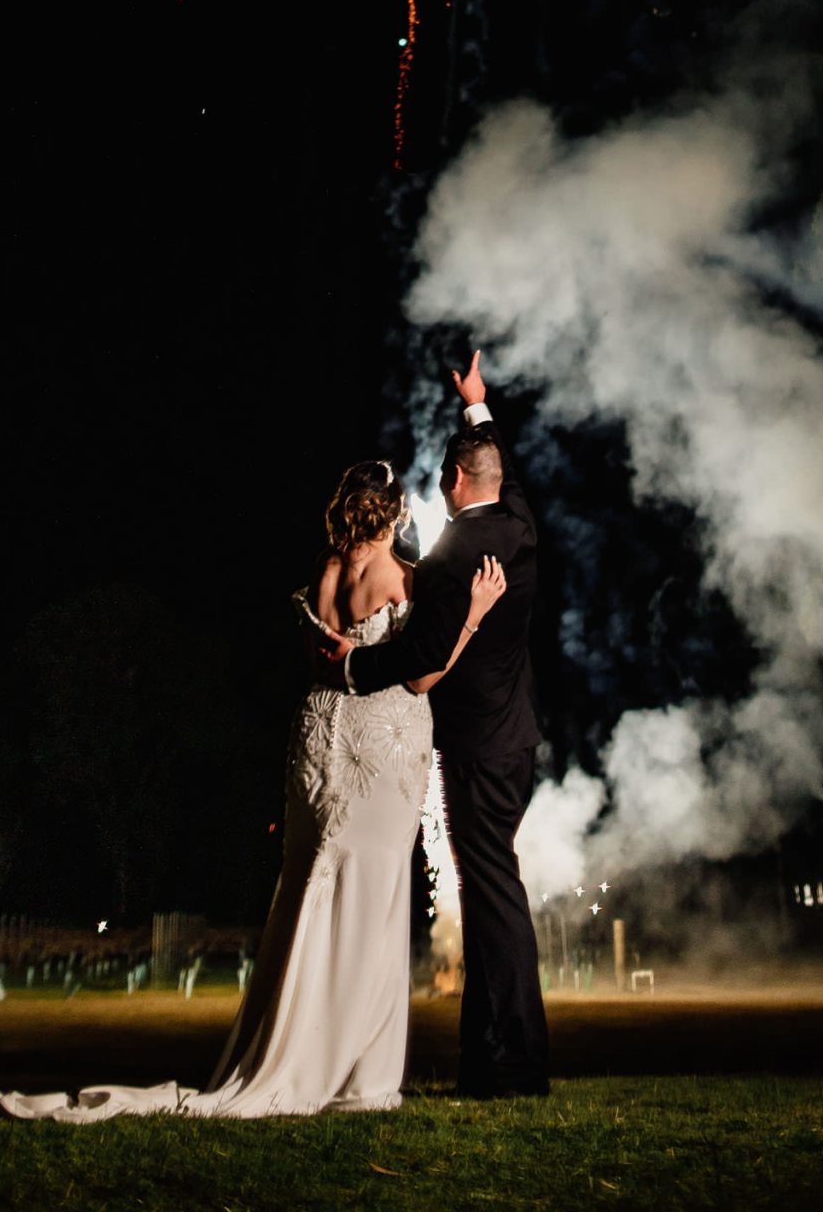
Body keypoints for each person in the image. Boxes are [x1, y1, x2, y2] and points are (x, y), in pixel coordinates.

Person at [0, 451, 505, 1122]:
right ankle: (354, 1072)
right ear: (399, 513)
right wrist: (471, 616)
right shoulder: (400, 580)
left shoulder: (322, 576)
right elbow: (421, 677)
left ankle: (295, 1045)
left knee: (309, 889)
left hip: (319, 744)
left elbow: (319, 670)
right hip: (383, 749)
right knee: (372, 902)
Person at [329, 353, 549, 1099]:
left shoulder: (455, 554)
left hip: (477, 749)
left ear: (454, 482)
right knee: (490, 895)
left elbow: (421, 660)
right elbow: (507, 479)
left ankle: (517, 1063)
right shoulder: (518, 529)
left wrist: (353, 671)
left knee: (494, 900)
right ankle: (487, 1062)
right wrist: (477, 408)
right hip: (516, 742)